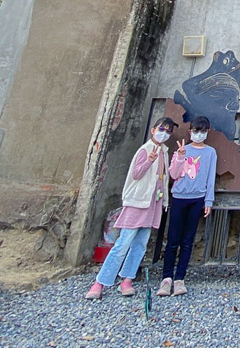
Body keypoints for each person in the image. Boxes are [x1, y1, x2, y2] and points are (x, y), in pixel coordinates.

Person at [85, 116, 177, 300]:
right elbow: (136, 174)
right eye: (161, 129)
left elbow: (164, 178)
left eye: (168, 131)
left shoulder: (164, 152)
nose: (164, 133)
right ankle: (100, 282)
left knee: (140, 244)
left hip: (153, 204)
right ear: (153, 130)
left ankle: (127, 279)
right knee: (122, 243)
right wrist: (149, 161)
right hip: (137, 203)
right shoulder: (145, 150)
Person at [157, 115, 217, 297]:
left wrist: (208, 201)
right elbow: (174, 174)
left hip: (197, 198)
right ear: (190, 131)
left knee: (188, 240)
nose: (199, 134)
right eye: (196, 131)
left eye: (203, 131)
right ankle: (166, 278)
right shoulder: (182, 150)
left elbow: (210, 178)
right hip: (179, 197)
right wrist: (181, 157)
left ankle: (180, 278)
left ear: (207, 132)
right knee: (173, 239)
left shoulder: (210, 152)